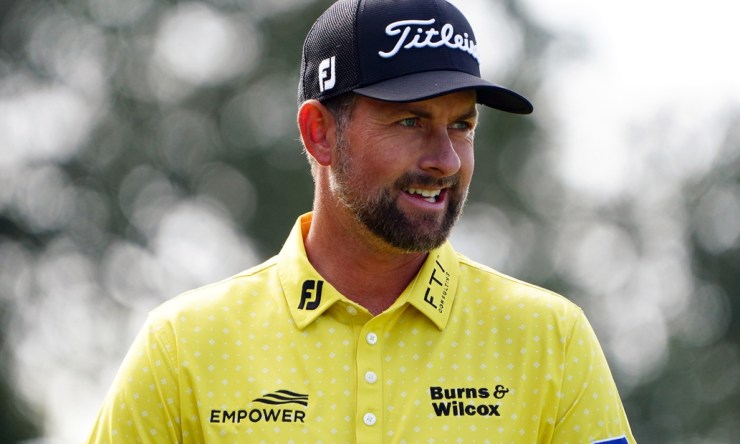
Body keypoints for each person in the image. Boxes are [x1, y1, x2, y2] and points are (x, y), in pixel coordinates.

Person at [89, 0, 636, 442]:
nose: (444, 159)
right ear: (319, 133)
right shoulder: (182, 347)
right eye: (410, 120)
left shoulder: (550, 339)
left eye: (462, 125)